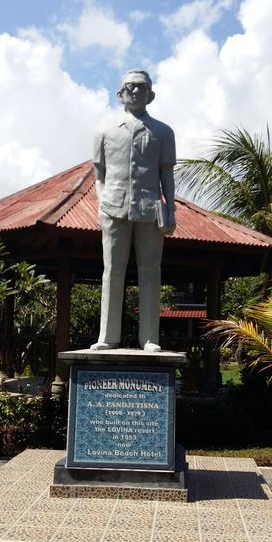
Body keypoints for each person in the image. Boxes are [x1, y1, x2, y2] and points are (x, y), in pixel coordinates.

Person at [91, 69, 176, 352]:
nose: (136, 91)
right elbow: (99, 175)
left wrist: (171, 210)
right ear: (120, 94)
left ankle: (150, 338)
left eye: (142, 87)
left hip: (150, 209)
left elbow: (166, 175)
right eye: (130, 87)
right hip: (113, 207)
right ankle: (107, 337)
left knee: (150, 271)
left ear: (151, 94)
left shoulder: (163, 132)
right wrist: (102, 203)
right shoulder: (103, 131)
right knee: (112, 270)